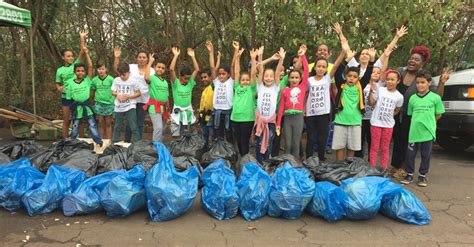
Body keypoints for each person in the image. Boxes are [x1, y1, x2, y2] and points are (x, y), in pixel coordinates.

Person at [391, 45, 448, 179]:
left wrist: (442, 82)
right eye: (411, 58)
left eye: (416, 60)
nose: (412, 61)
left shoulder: (423, 77)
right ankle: (395, 166)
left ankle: (405, 168)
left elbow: (437, 96)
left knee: (406, 141)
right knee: (397, 140)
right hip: (396, 113)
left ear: (422, 64)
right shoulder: (400, 71)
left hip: (411, 115)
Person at [305, 23, 346, 161]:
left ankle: (321, 160)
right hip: (310, 114)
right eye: (319, 66)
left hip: (324, 113)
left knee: (322, 139)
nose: (321, 68)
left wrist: (342, 43)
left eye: (323, 66)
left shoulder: (328, 78)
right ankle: (309, 160)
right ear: (315, 67)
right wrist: (304, 110)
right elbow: (305, 95)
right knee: (311, 139)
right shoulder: (309, 80)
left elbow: (336, 63)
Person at [401, 69, 449, 187]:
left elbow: (439, 114)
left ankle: (422, 176)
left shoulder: (435, 98)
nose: (420, 85)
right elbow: (411, 114)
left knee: (425, 155)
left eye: (422, 82)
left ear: (429, 82)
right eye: (417, 83)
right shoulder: (413, 98)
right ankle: (409, 174)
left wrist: (430, 122)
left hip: (427, 132)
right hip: (414, 132)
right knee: (410, 155)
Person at [113, 47, 153, 142]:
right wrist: (117, 58)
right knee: (129, 123)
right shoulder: (131, 67)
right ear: (137, 58)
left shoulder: (151, 70)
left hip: (143, 99)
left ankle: (138, 143)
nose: (142, 59)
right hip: (130, 101)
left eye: (144, 57)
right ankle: (127, 142)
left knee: (139, 123)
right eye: (140, 57)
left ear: (147, 59)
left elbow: (149, 81)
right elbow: (117, 70)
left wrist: (150, 63)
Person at [276, 45, 307, 160]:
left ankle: (295, 165)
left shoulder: (303, 87)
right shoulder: (285, 90)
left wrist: (302, 56)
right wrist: (278, 123)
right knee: (287, 144)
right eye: (292, 77)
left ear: (300, 79)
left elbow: (307, 71)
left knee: (295, 144)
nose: (294, 80)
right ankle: (286, 165)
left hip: (298, 117)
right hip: (287, 118)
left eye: (296, 77)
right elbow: (281, 108)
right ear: (288, 79)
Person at [368, 69, 404, 169]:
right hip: (376, 123)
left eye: (392, 79)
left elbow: (397, 110)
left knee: (385, 148)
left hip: (388, 125)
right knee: (374, 147)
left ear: (398, 81)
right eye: (388, 79)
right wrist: (371, 91)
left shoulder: (399, 96)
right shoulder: (380, 89)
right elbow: (371, 103)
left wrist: (389, 116)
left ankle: (383, 169)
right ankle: (372, 168)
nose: (389, 82)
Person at [67, 47, 103, 146]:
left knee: (92, 124)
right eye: (78, 71)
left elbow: (90, 66)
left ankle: (98, 141)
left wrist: (87, 53)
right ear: (74, 72)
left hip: (87, 107)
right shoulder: (70, 83)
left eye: (82, 71)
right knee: (75, 125)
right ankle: (71, 142)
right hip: (76, 107)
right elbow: (69, 98)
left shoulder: (87, 80)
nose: (80, 73)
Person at [254, 46, 283, 163]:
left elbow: (277, 72)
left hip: (270, 122)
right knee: (259, 143)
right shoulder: (260, 87)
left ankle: (266, 162)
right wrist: (261, 56)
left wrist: (281, 59)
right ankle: (259, 162)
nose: (269, 78)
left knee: (268, 143)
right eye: (266, 76)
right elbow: (260, 68)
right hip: (260, 121)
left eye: (271, 76)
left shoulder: (275, 88)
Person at [55, 31, 86, 138]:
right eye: (68, 56)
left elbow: (82, 52)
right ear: (63, 58)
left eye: (72, 56)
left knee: (79, 120)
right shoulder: (60, 70)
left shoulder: (76, 66)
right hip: (66, 98)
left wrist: (82, 38)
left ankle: (82, 141)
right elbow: (58, 84)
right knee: (66, 120)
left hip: (77, 97)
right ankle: (65, 142)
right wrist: (60, 88)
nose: (71, 58)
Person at [231, 42, 256, 156]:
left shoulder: (251, 88)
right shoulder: (237, 87)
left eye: (247, 79)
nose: (245, 81)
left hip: (247, 118)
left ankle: (245, 160)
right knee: (239, 141)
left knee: (245, 141)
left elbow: (254, 73)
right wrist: (237, 56)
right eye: (243, 80)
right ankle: (242, 158)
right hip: (236, 117)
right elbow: (236, 72)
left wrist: (253, 59)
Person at [169, 47, 200, 137]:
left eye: (188, 78)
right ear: (180, 76)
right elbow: (171, 70)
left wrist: (193, 56)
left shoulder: (190, 83)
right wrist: (175, 56)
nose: (187, 80)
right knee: (176, 134)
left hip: (188, 111)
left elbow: (197, 70)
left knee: (189, 134)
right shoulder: (176, 83)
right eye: (185, 78)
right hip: (178, 111)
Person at [208, 41, 235, 142]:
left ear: (228, 74)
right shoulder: (216, 82)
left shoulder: (231, 82)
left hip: (227, 112)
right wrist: (211, 52)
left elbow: (233, 67)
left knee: (229, 134)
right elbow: (212, 68)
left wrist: (236, 52)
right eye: (219, 74)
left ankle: (230, 152)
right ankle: (218, 152)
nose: (221, 76)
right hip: (217, 112)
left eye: (223, 74)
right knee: (218, 135)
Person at [111, 63, 141, 143]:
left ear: (129, 72)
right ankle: (115, 143)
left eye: (124, 74)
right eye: (120, 74)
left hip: (130, 106)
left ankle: (137, 144)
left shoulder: (133, 81)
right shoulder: (116, 80)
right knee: (117, 126)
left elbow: (138, 93)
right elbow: (113, 92)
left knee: (133, 126)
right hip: (118, 106)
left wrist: (129, 96)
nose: (122, 76)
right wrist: (117, 95)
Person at [144, 53, 169, 142]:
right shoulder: (152, 78)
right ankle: (155, 147)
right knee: (158, 128)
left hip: (164, 108)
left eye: (163, 68)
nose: (160, 69)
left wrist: (168, 109)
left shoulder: (165, 82)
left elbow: (166, 96)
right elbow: (146, 77)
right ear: (154, 68)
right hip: (154, 107)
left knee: (162, 129)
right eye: (158, 67)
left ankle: (160, 146)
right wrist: (150, 62)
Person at [91, 60, 114, 140]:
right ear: (97, 70)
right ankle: (100, 140)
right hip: (99, 104)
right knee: (100, 122)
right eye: (99, 69)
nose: (101, 71)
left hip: (109, 104)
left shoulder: (111, 79)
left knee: (108, 123)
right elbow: (92, 91)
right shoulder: (94, 80)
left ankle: (108, 141)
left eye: (103, 69)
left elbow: (115, 91)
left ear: (106, 69)